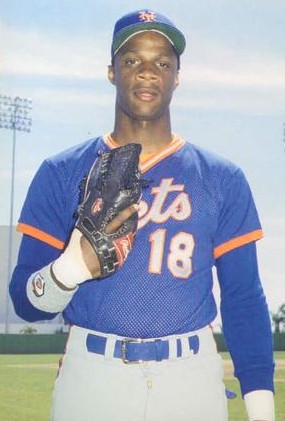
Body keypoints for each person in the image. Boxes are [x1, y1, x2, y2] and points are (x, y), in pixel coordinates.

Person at [10, 9, 275, 421]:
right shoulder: (62, 172)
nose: (148, 72)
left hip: (190, 375)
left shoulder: (222, 177)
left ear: (177, 76)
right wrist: (67, 271)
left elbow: (244, 298)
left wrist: (260, 405)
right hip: (92, 374)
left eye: (162, 63)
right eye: (132, 60)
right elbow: (24, 302)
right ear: (112, 71)